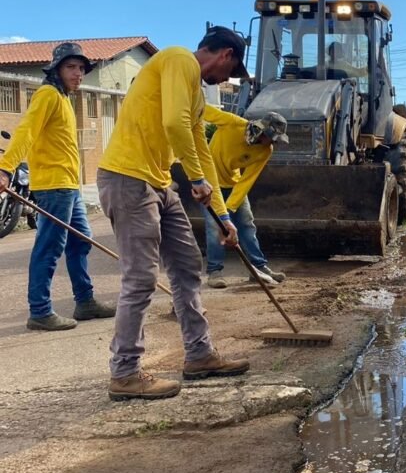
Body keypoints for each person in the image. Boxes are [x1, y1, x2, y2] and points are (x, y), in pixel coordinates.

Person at [97, 27, 251, 402]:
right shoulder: (179, 59)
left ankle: (199, 355)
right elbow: (173, 125)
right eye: (230, 72)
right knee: (141, 278)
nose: (225, 80)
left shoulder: (194, 91)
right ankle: (126, 373)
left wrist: (223, 215)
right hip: (127, 178)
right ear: (226, 55)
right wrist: (195, 179)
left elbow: (199, 149)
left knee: (185, 267)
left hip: (159, 183)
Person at [0, 42, 116, 331]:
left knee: (81, 239)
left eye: (81, 68)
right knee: (49, 247)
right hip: (54, 186)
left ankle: (85, 301)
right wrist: (5, 169)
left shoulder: (64, 98)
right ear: (57, 69)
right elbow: (26, 130)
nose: (78, 74)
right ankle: (39, 311)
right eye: (71, 67)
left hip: (69, 185)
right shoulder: (47, 94)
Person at [203, 105, 289, 288]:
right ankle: (214, 271)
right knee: (214, 228)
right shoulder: (233, 124)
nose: (271, 142)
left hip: (233, 184)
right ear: (261, 130)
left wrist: (230, 208)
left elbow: (247, 180)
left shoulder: (266, 151)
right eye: (270, 137)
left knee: (246, 224)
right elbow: (202, 109)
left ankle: (258, 267)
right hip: (209, 183)